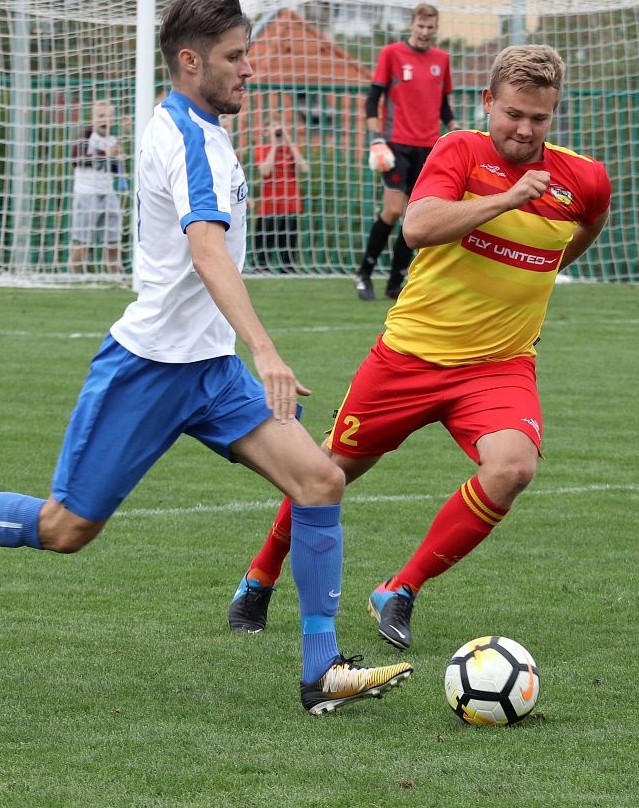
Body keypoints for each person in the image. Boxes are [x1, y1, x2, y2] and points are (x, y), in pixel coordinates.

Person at [0, 0, 413, 716]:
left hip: (210, 371)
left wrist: (240, 353)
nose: (249, 69)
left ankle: (321, 670)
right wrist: (268, 351)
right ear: (190, 62)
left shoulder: (200, 125)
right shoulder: (186, 137)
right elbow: (206, 250)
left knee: (318, 481)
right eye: (234, 57)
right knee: (64, 529)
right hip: (148, 368)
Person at [229, 45, 611, 652]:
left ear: (554, 113)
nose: (523, 129)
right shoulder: (459, 150)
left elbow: (583, 229)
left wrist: (534, 267)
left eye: (539, 118)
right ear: (488, 102)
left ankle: (400, 589)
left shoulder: (584, 179)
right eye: (513, 114)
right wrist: (507, 199)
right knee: (327, 471)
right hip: (408, 357)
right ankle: (260, 575)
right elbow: (417, 227)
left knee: (513, 468)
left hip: (498, 366)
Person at [353, 3, 459, 302]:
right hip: (396, 143)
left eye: (430, 27)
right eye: (420, 26)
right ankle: (364, 274)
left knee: (415, 217)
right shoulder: (392, 54)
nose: (424, 32)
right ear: (411, 24)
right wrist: (376, 138)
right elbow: (372, 100)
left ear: (436, 28)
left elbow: (443, 106)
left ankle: (395, 282)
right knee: (392, 210)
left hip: (428, 148)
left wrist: (456, 129)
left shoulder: (441, 59)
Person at [68, 99, 126, 275]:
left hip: (108, 194)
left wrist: (117, 159)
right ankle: (75, 278)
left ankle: (116, 277)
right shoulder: (85, 136)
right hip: (86, 195)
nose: (104, 120)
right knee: (83, 243)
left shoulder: (113, 140)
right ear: (93, 118)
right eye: (100, 116)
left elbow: (114, 170)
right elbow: (77, 159)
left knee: (113, 243)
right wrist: (104, 154)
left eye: (107, 116)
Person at [250, 123, 308, 273]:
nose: (278, 130)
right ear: (266, 132)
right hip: (270, 203)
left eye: (279, 127)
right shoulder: (262, 149)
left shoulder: (291, 149)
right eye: (273, 127)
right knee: (265, 236)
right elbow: (265, 171)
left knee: (288, 238)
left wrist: (288, 141)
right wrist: (274, 146)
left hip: (290, 202)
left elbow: (304, 168)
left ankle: (287, 267)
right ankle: (260, 266)